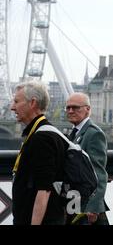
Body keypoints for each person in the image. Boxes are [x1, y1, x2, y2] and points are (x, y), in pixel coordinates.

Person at [10, 81, 66, 225]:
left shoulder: (42, 138)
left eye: (16, 102)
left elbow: (44, 189)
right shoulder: (43, 132)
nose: (12, 107)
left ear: (33, 103)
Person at [65, 92, 109, 225]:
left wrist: (93, 207)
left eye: (76, 107)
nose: (71, 111)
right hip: (75, 202)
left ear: (88, 109)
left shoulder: (93, 134)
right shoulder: (74, 133)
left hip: (87, 207)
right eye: (68, 108)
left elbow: (99, 173)